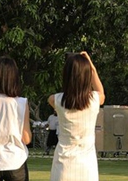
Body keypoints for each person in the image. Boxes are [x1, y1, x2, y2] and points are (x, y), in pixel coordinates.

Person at [48, 52, 105, 181]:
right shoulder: (94, 100)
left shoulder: (56, 100)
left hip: (63, 163)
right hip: (87, 166)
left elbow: (56, 98)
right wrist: (91, 66)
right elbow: (101, 92)